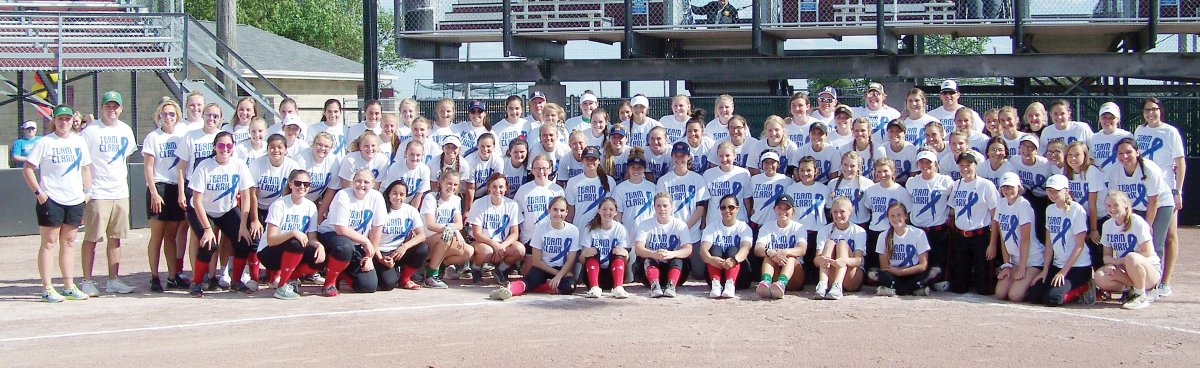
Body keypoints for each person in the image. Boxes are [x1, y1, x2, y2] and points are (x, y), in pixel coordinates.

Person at [24, 105, 94, 302]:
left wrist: (87, 193)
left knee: (69, 242)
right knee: (49, 242)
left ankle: (68, 285)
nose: (64, 123)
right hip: (51, 199)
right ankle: (47, 288)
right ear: (53, 120)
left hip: (75, 199)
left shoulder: (79, 142)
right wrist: (39, 193)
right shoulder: (45, 142)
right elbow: (28, 168)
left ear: (73, 121)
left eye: (68, 119)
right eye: (60, 119)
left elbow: (86, 168)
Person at [77, 90, 138, 296]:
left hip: (120, 191)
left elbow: (125, 158)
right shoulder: (91, 131)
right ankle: (87, 280)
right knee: (92, 238)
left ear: (121, 108)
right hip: (98, 193)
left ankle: (113, 279)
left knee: (116, 238)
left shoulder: (126, 130)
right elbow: (83, 163)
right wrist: (87, 190)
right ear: (101, 108)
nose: (111, 110)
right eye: (107, 106)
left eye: (115, 106)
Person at [185, 132, 255, 297]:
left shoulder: (239, 164)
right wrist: (208, 229)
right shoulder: (204, 166)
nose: (225, 149)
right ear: (214, 147)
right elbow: (196, 201)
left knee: (244, 241)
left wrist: (243, 225)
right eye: (221, 146)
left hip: (227, 209)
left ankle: (236, 281)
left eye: (229, 146)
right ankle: (196, 283)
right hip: (202, 210)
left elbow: (246, 195)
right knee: (209, 244)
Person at [1106, 137, 1174, 298]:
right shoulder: (1116, 171)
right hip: (1134, 207)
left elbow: (1154, 200)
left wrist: (1148, 225)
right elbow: (1117, 198)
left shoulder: (1149, 169)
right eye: (1120, 153)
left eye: (1129, 152)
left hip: (1160, 204)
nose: (1124, 156)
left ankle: (1155, 286)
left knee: (1153, 243)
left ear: (1137, 152)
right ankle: (1135, 284)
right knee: (1132, 245)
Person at [1134, 97, 1184, 298]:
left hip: (1165, 192)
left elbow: (1179, 163)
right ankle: (1147, 280)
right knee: (1148, 236)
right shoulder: (1139, 131)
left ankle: (1163, 282)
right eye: (1147, 110)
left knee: (1165, 237)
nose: (1151, 113)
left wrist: (1178, 190)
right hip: (1144, 191)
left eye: (1154, 109)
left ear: (1160, 111)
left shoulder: (1170, 132)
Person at [490, 196, 580, 300]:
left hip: (562, 269)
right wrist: (557, 275)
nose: (558, 213)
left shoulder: (573, 230)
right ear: (549, 210)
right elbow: (537, 261)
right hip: (543, 267)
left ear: (567, 212)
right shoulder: (541, 227)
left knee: (569, 287)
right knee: (528, 281)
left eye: (562, 210)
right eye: (555, 209)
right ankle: (509, 290)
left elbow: (570, 260)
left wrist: (560, 276)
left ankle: (542, 287)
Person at [1026, 175, 1094, 306]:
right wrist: (1045, 271)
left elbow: (1079, 245)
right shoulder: (1049, 209)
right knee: (1033, 295)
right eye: (1049, 190)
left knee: (1053, 299)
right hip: (1058, 264)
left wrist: (1063, 272)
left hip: (1077, 266)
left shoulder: (1077, 210)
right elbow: (1049, 244)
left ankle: (1085, 287)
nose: (1052, 194)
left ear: (1066, 191)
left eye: (1056, 190)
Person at [316, 169, 386, 296]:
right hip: (331, 236)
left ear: (373, 184)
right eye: (358, 181)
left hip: (356, 243)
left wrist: (369, 257)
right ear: (353, 182)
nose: (361, 185)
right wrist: (365, 240)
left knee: (368, 286)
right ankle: (329, 283)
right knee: (344, 246)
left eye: (366, 182)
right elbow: (340, 229)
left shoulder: (377, 197)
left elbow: (377, 229)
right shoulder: (343, 195)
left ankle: (341, 271)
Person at [143, 99, 188, 292]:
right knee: (157, 236)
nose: (168, 117)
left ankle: (172, 276)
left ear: (177, 116)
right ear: (159, 116)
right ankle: (154, 277)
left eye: (171, 114)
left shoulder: (181, 136)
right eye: (164, 114)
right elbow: (148, 167)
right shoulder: (153, 137)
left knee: (171, 236)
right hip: (159, 187)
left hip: (176, 188)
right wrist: (153, 192)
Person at [257, 169, 321, 300]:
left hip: (292, 251)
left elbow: (312, 238)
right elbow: (271, 240)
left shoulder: (311, 206)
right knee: (295, 242)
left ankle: (291, 278)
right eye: (298, 183)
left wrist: (320, 246)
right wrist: (293, 233)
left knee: (320, 256)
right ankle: (282, 286)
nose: (302, 187)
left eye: (306, 184)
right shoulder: (279, 204)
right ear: (290, 184)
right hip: (269, 253)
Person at [246, 134, 301, 283]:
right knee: (255, 240)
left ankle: (274, 276)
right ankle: (254, 278)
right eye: (272, 147)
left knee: (279, 239)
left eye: (279, 147)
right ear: (267, 148)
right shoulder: (257, 164)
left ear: (285, 149)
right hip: (259, 206)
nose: (276, 150)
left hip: (279, 208)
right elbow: (253, 194)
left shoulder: (292, 166)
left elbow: (292, 192)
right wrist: (255, 219)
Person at [1093, 190, 1160, 310]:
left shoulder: (1137, 222)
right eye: (1109, 206)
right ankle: (1132, 290)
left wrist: (1117, 261)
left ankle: (1141, 295)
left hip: (1149, 269)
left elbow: (1147, 252)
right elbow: (1106, 256)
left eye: (1115, 205)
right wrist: (1109, 264)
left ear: (1125, 205)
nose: (1112, 209)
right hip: (1126, 268)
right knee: (1099, 276)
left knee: (1132, 257)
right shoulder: (1107, 225)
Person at [947, 152, 999, 295]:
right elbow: (952, 210)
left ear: (976, 165)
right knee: (958, 286)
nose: (965, 169)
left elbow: (996, 216)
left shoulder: (986, 185)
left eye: (968, 165)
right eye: (961, 165)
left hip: (980, 235)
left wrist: (992, 244)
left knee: (984, 286)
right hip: (961, 236)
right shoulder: (957, 184)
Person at [992, 172, 1044, 302]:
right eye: (1004, 187)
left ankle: (1037, 286)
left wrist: (1022, 267)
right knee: (1000, 294)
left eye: (1011, 187)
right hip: (1015, 259)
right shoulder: (1001, 203)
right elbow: (1003, 236)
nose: (1007, 190)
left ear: (1018, 188)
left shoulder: (1023, 205)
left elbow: (1025, 239)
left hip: (1032, 259)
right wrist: (1007, 264)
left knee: (1015, 296)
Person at [905, 150, 953, 289]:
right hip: (918, 231)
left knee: (936, 266)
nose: (925, 165)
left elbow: (953, 202)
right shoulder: (912, 182)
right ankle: (917, 285)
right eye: (922, 162)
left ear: (935, 163)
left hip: (938, 231)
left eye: (928, 162)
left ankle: (917, 286)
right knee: (918, 264)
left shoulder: (946, 181)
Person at [635, 193, 696, 298]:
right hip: (650, 269)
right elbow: (638, 249)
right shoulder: (645, 224)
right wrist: (654, 254)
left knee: (678, 258)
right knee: (646, 258)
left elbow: (688, 249)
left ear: (671, 206)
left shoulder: (680, 224)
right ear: (654, 207)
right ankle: (655, 285)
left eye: (665, 206)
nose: (662, 209)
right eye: (658, 206)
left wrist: (671, 254)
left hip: (673, 269)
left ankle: (671, 285)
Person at [467, 173, 524, 284]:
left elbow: (514, 233)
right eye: (494, 186)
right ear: (488, 187)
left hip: (502, 244)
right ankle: (475, 269)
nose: (497, 190)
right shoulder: (479, 203)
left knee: (520, 249)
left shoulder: (512, 205)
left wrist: (503, 245)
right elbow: (477, 234)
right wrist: (494, 244)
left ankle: (500, 270)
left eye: (501, 187)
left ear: (506, 188)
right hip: (483, 243)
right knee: (486, 251)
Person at [420, 170, 473, 288]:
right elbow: (430, 224)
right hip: (427, 240)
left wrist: (453, 229)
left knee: (468, 251)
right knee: (446, 237)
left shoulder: (456, 199)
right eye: (449, 183)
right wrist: (451, 230)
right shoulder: (431, 197)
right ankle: (431, 276)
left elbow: (459, 224)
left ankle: (438, 268)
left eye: (455, 185)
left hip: (444, 237)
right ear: (441, 183)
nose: (452, 187)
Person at [514, 154, 566, 274]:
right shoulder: (524, 190)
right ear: (532, 170)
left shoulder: (557, 190)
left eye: (544, 168)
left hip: (552, 238)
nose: (541, 172)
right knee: (529, 276)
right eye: (537, 168)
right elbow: (517, 217)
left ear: (550, 170)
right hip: (530, 238)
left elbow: (562, 216)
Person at [869, 202, 932, 296]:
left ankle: (895, 291)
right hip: (893, 275)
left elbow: (923, 265)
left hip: (913, 273)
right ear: (888, 218)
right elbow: (884, 266)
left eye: (899, 215)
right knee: (872, 273)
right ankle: (912, 290)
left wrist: (901, 272)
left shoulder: (919, 233)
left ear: (906, 216)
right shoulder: (883, 236)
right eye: (892, 216)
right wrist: (896, 272)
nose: (896, 218)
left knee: (934, 271)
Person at [375, 180, 428, 291]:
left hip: (398, 251)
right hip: (380, 252)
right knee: (388, 284)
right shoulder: (380, 209)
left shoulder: (411, 211)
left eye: (402, 194)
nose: (398, 197)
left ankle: (405, 279)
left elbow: (421, 235)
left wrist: (404, 247)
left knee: (422, 248)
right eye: (394, 193)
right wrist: (380, 258)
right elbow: (371, 238)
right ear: (388, 193)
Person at [785, 156, 829, 284]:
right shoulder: (791, 189)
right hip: (799, 232)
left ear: (816, 171)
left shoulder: (824, 189)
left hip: (817, 232)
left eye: (809, 170)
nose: (805, 173)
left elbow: (829, 210)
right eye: (802, 170)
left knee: (815, 266)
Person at [754, 194, 809, 299]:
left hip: (794, 275)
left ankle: (782, 283)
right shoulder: (766, 227)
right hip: (775, 270)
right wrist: (771, 252)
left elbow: (802, 249)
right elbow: (758, 249)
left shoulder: (799, 228)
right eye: (779, 207)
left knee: (791, 258)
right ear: (774, 209)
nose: (783, 211)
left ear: (793, 211)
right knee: (767, 255)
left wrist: (785, 252)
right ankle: (766, 282)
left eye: (787, 208)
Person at [813, 196, 866, 299]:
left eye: (842, 211)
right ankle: (823, 284)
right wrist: (822, 260)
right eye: (835, 212)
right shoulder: (824, 230)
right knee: (829, 243)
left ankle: (838, 286)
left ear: (850, 212)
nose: (838, 215)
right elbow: (816, 260)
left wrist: (844, 261)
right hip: (831, 273)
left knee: (842, 244)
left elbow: (858, 260)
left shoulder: (859, 231)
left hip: (851, 276)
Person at [700, 195, 753, 299]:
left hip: (739, 276)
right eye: (723, 207)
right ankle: (716, 284)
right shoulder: (712, 227)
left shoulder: (744, 227)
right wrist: (710, 259)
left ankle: (730, 284)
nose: (727, 210)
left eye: (731, 207)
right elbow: (703, 249)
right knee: (715, 248)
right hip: (717, 273)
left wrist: (734, 260)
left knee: (733, 249)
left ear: (737, 209)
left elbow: (745, 248)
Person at [863, 159, 912, 271]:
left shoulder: (901, 191)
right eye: (879, 171)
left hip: (892, 233)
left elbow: (907, 211)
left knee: (890, 266)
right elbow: (869, 207)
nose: (882, 174)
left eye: (885, 171)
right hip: (875, 231)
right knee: (874, 267)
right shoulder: (870, 190)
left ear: (893, 171)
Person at [580, 197, 631, 298]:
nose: (608, 212)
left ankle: (618, 287)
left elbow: (625, 260)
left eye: (611, 209)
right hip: (593, 275)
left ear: (616, 212)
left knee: (618, 252)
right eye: (604, 209)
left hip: (613, 275)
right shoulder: (590, 228)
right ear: (599, 211)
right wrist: (585, 253)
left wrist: (625, 254)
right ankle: (594, 287)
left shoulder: (620, 228)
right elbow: (582, 259)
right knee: (593, 252)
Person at [565, 146, 616, 231]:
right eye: (587, 159)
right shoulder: (573, 182)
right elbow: (570, 213)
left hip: (602, 231)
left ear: (599, 161)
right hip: (580, 229)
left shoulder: (610, 181)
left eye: (593, 159)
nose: (590, 161)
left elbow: (613, 210)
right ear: (582, 160)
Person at [748, 150, 790, 230]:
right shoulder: (754, 179)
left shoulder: (787, 181)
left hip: (776, 225)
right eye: (766, 162)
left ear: (778, 164)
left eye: (772, 162)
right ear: (761, 165)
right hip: (757, 223)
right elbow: (750, 198)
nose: (769, 165)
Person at [1088, 102, 1132, 175]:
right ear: (1099, 119)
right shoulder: (1094, 138)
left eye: (1111, 117)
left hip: (1119, 180)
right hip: (1100, 181)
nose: (1107, 120)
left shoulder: (1126, 136)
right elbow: (1091, 160)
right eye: (1104, 117)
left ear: (1118, 119)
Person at [853, 82, 902, 146]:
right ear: (865, 96)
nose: (873, 97)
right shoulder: (857, 112)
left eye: (877, 94)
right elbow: (839, 109)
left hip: (885, 153)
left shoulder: (892, 113)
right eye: (870, 94)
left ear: (883, 96)